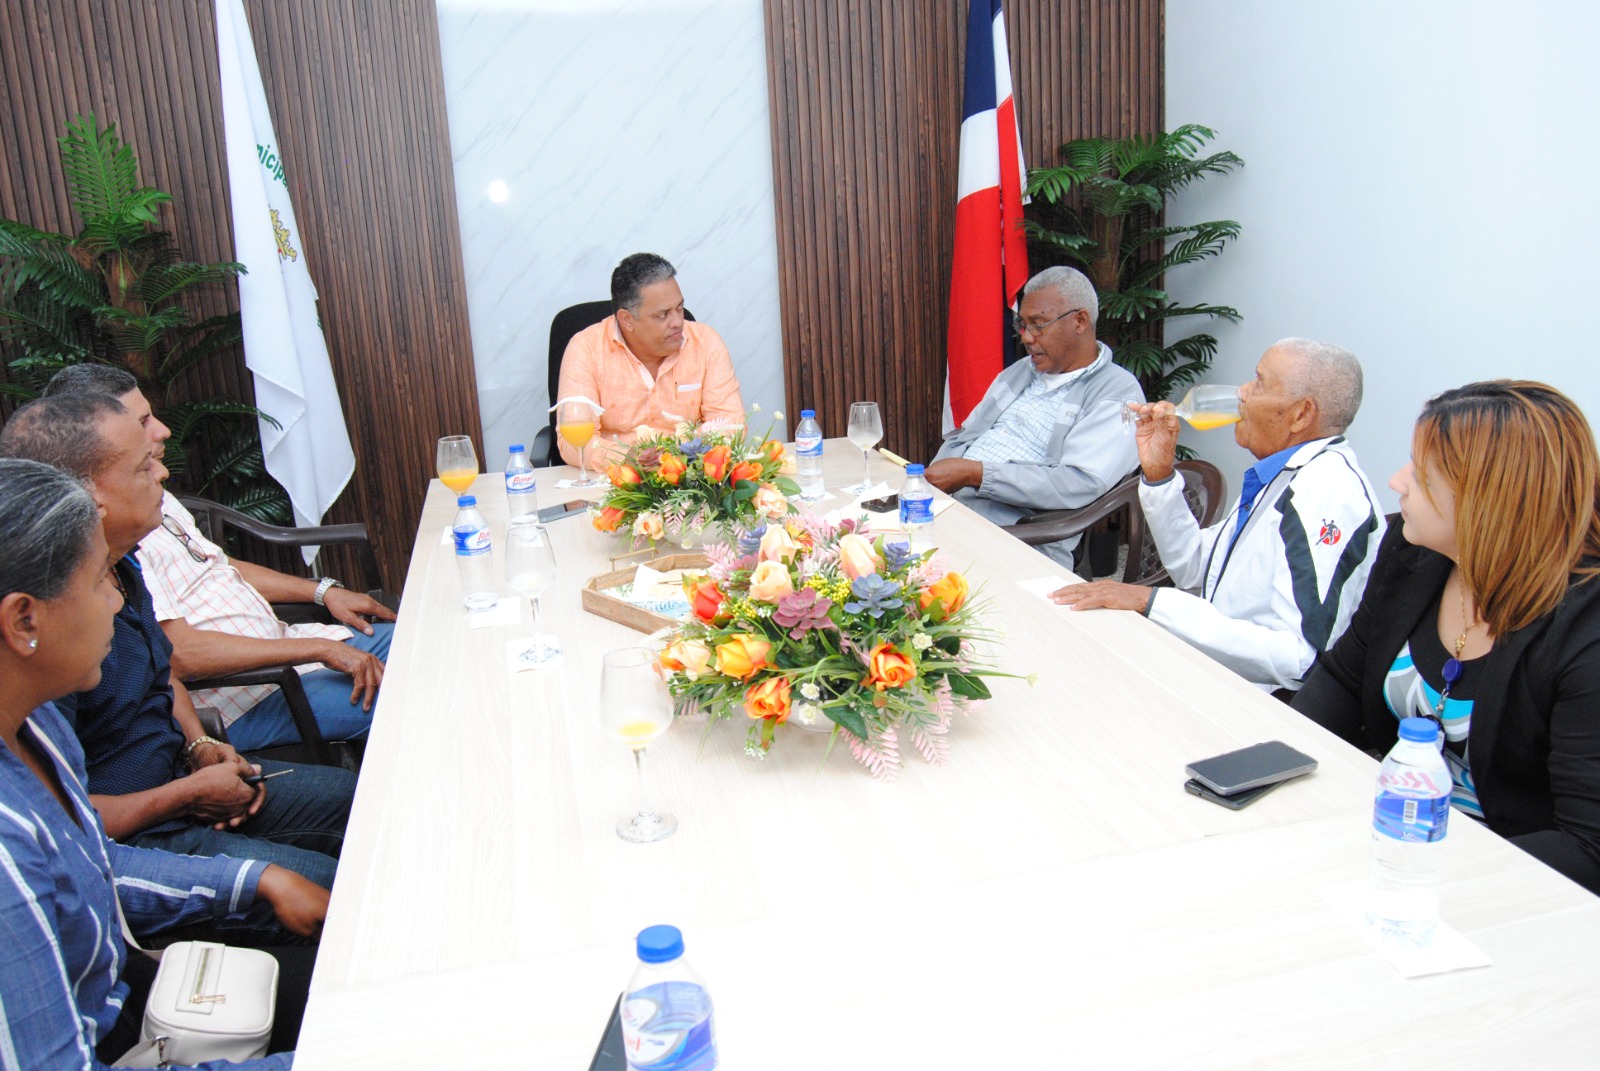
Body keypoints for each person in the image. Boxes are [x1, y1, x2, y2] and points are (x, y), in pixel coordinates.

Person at [0, 458, 326, 1066]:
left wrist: (256, 878)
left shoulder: (36, 726)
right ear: (24, 620)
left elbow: (90, 866)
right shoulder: (5, 851)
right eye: (97, 583)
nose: (115, 603)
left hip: (132, 997)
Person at [0, 394, 356, 917]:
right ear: (91, 496)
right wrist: (187, 796)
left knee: (362, 803)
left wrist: (201, 746)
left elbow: (163, 673)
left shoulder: (126, 564)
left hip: (183, 784)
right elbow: (76, 837)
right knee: (328, 887)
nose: (163, 473)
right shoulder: (48, 648)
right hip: (144, 834)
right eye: (143, 467)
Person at [1293, 381, 1600, 894]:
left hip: (1507, 888)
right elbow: (1343, 680)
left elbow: (1587, 848)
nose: (1396, 480)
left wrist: (1412, 863)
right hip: (1391, 844)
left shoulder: (1585, 630)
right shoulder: (1412, 553)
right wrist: (1272, 764)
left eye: (1421, 474)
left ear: (1490, 501)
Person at [43, 363, 396, 750]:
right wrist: (321, 649)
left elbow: (214, 562)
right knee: (411, 698)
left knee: (425, 640)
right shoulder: (120, 536)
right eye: (143, 422)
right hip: (253, 691)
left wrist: (321, 591)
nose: (162, 430)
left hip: (291, 646)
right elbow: (178, 655)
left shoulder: (153, 491)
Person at [1052, 338, 1384, 693]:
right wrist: (1159, 477)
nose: (1242, 391)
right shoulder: (1284, 474)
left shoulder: (1326, 494)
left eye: (1259, 383)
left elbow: (1299, 659)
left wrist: (1151, 602)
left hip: (1259, 704)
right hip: (1214, 674)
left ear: (1301, 414)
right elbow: (1193, 566)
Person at [926, 266, 1143, 566]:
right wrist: (925, 486)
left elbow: (1078, 483)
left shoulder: (1117, 394)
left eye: (1038, 325)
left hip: (1016, 536)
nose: (1027, 338)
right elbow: (966, 436)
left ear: (1080, 321)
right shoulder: (1020, 371)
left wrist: (977, 474)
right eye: (1023, 325)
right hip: (948, 510)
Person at [554, 252, 745, 466]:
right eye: (663, 315)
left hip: (689, 475)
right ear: (627, 320)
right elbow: (573, 444)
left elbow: (731, 423)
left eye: (679, 308)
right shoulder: (586, 348)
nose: (677, 322)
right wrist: (632, 459)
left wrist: (680, 458)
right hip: (613, 478)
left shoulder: (705, 342)